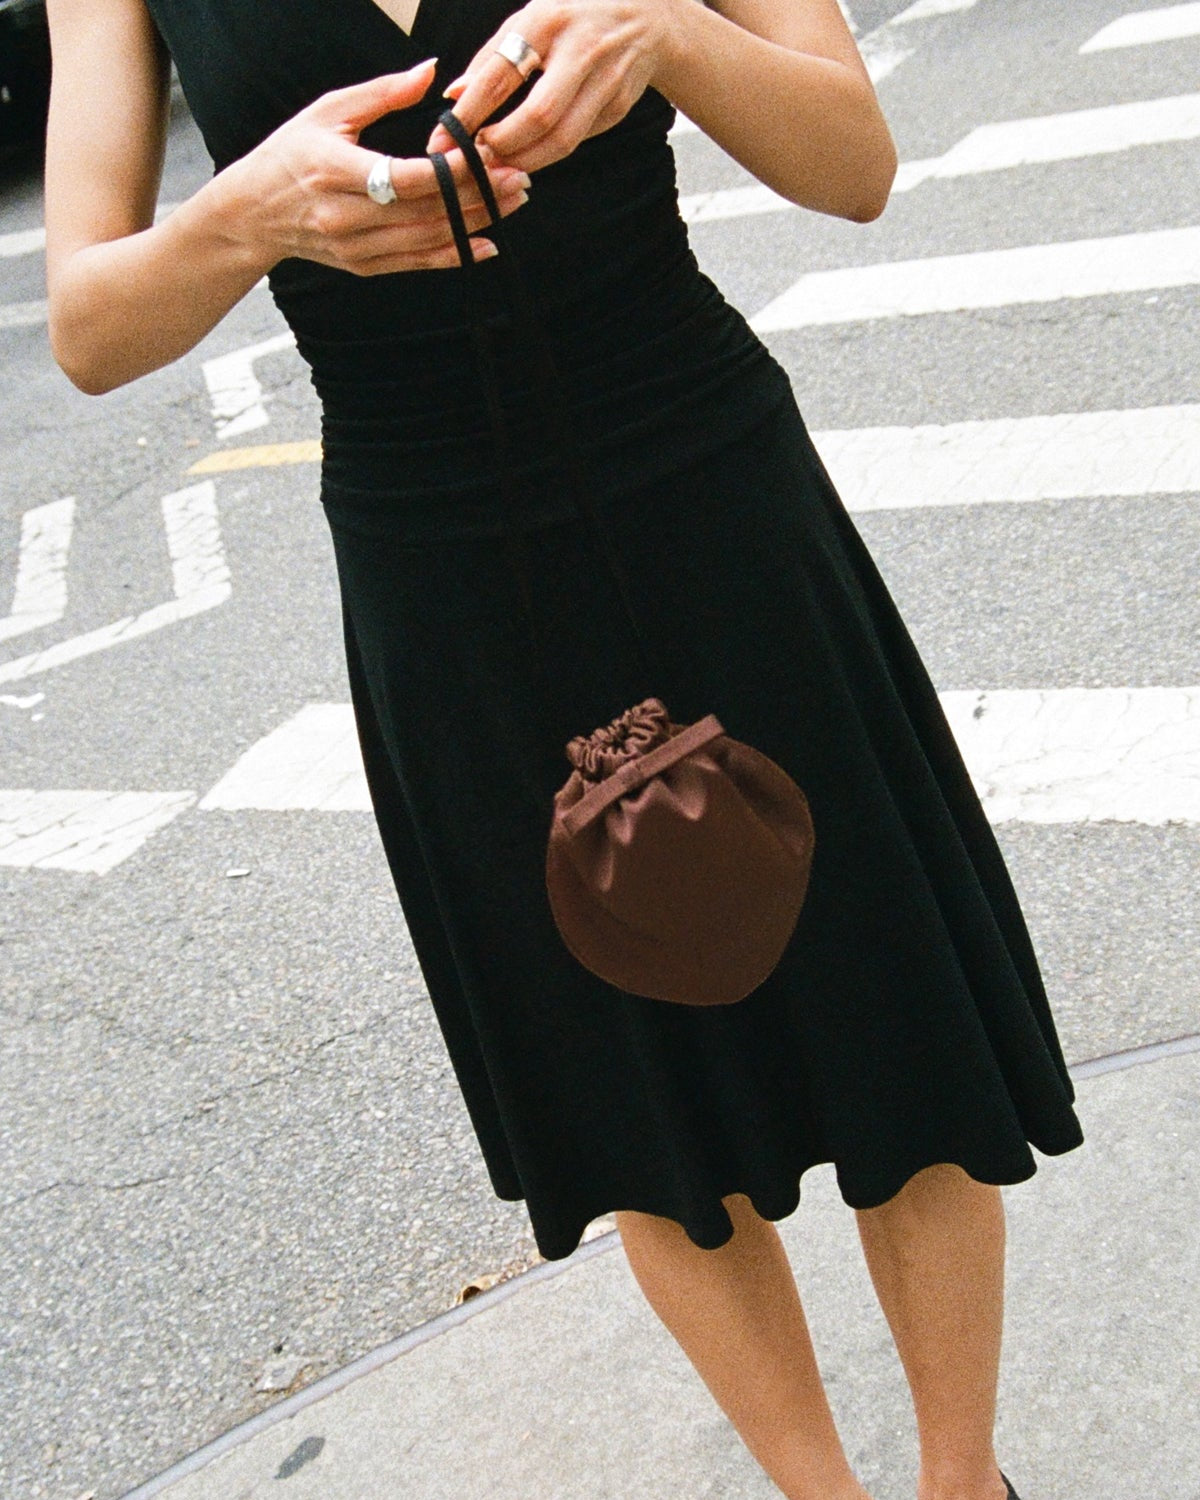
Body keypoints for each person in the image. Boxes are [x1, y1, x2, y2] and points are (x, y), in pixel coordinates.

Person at [41, 1, 1085, 1497]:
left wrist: (667, 33)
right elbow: (87, 326)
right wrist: (239, 218)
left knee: (888, 1013)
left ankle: (963, 1484)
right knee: (635, 1099)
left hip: (712, 492)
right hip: (441, 573)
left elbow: (853, 161)